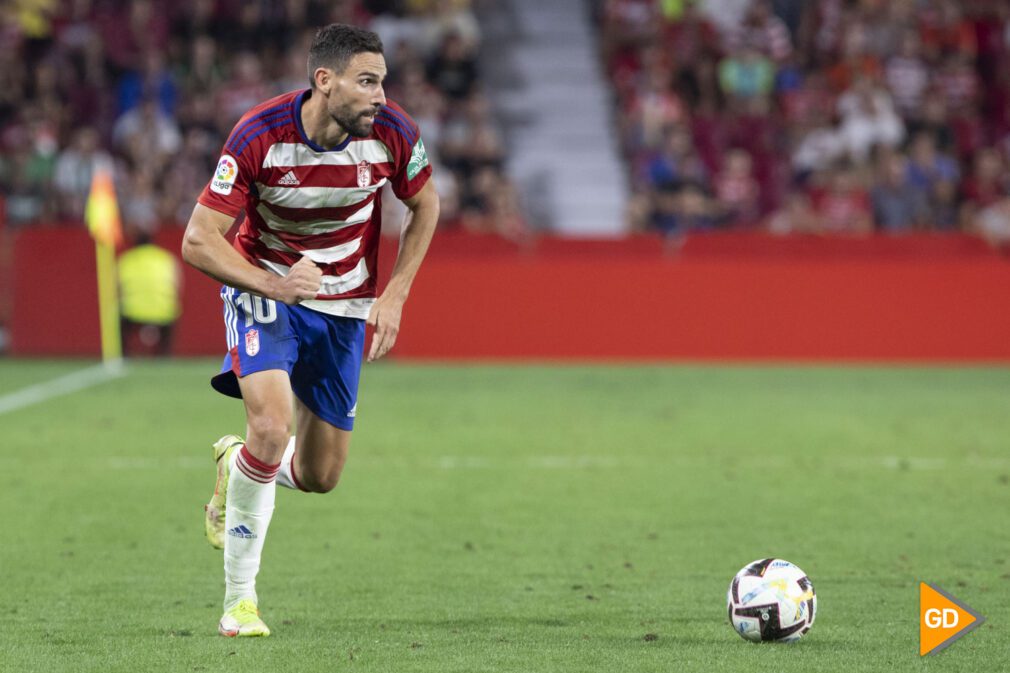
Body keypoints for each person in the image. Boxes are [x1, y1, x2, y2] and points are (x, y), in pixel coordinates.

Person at [180, 24, 439, 638]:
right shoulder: (259, 135)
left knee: (322, 476)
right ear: (325, 81)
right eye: (367, 81)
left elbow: (427, 204)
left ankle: (235, 464)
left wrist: (395, 293)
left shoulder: (394, 133)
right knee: (269, 429)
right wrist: (271, 285)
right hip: (265, 286)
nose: (381, 96)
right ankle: (240, 603)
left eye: (383, 82)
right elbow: (197, 239)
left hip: (345, 304)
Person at [118, 229, 182, 356]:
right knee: (172, 311)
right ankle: (165, 353)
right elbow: (177, 285)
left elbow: (118, 288)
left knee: (119, 315)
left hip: (133, 312)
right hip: (163, 311)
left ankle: (124, 354)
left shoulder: (126, 259)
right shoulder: (166, 258)